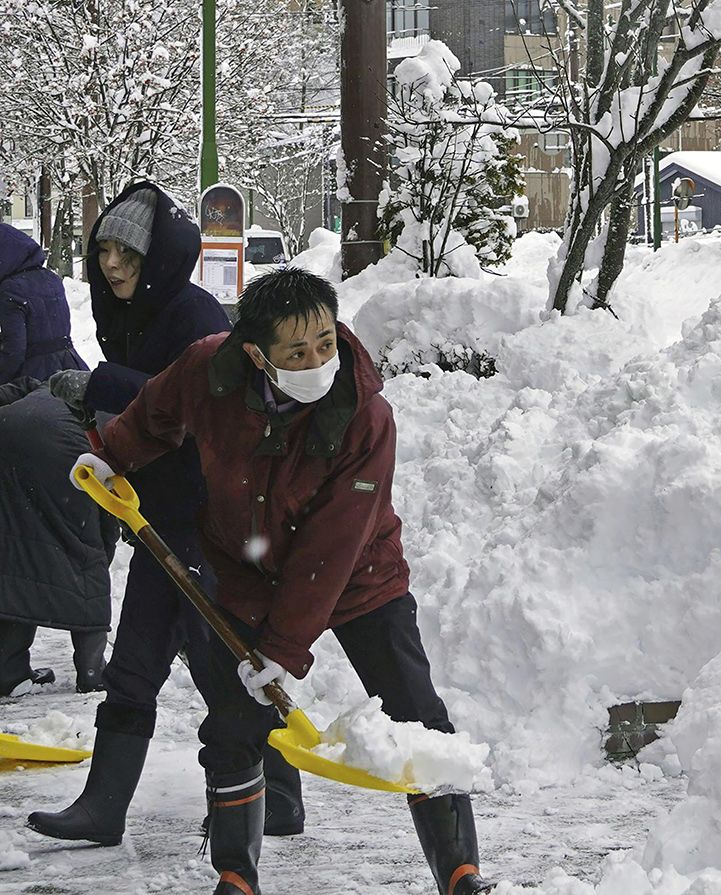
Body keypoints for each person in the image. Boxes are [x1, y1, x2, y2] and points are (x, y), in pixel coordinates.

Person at [68, 268, 494, 894]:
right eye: (297, 351)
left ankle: (460, 870)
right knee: (233, 726)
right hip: (245, 574)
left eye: (326, 340)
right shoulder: (208, 371)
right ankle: (236, 877)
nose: (318, 359)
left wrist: (283, 650)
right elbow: (154, 415)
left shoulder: (363, 414)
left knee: (416, 717)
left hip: (360, 580)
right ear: (254, 353)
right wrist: (110, 457)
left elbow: (334, 544)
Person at [28, 183, 307, 846]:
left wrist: (101, 387)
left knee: (221, 666)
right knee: (135, 666)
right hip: (159, 518)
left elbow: (198, 408)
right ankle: (103, 807)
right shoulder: (131, 316)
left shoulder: (196, 313)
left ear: (156, 257)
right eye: (104, 250)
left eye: (126, 251)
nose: (112, 264)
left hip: (209, 524)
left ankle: (282, 794)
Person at [0, 222, 107, 697]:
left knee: (17, 538)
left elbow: (11, 352)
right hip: (66, 382)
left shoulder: (8, 291)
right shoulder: (47, 279)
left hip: (24, 400)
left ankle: (9, 667)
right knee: (83, 536)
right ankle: (89, 667)